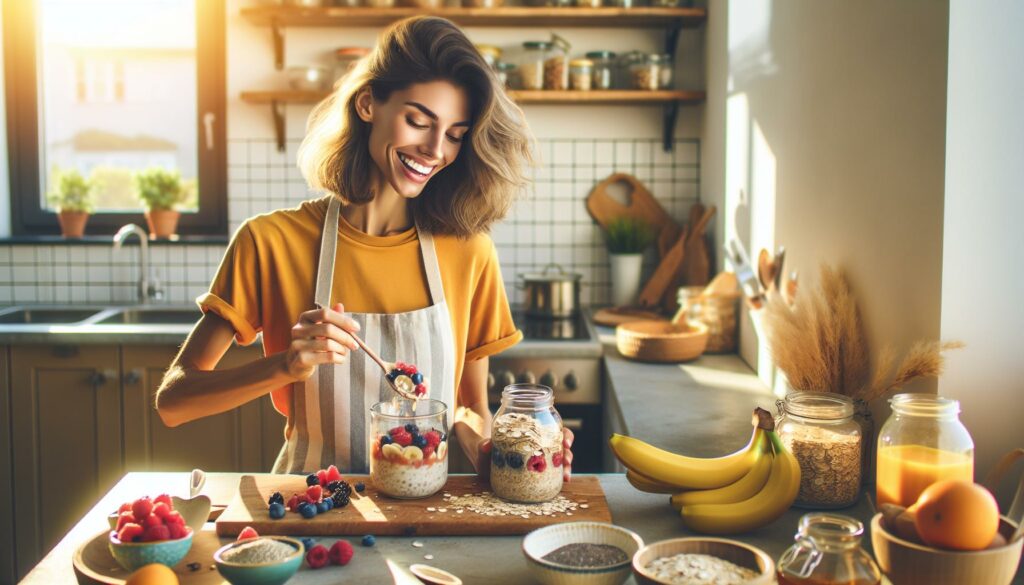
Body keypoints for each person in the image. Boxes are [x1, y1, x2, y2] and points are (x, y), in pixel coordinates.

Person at [155, 16, 574, 478]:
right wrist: (286, 365)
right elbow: (174, 402)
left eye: (455, 134)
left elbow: (470, 406)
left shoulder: (469, 249)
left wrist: (493, 449)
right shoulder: (270, 242)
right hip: (308, 508)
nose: (436, 149)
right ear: (368, 104)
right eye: (418, 121)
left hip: (426, 508)